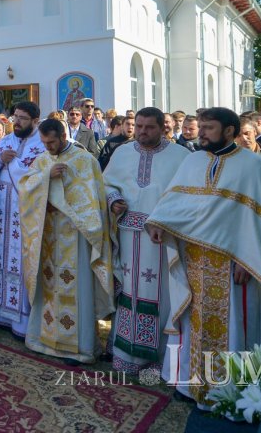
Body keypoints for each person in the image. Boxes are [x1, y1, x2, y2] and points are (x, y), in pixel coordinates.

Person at [145, 108, 261, 408]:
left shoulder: (253, 166)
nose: (201, 133)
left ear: (229, 131)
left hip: (234, 264)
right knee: (193, 321)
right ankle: (189, 383)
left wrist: (249, 260)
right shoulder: (193, 161)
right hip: (194, 259)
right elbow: (174, 201)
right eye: (200, 127)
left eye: (209, 128)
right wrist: (158, 222)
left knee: (233, 326)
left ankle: (229, 391)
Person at [19, 118, 113, 364]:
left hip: (76, 237)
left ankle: (79, 348)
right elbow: (25, 191)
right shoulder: (42, 161)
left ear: (63, 136)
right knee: (48, 285)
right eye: (44, 143)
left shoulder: (85, 161)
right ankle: (44, 339)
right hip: (49, 235)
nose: (47, 147)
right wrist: (46, 177)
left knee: (76, 287)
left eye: (51, 142)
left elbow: (94, 201)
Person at [102, 107, 186, 376]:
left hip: (161, 238)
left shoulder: (181, 156)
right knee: (128, 291)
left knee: (159, 294)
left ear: (163, 127)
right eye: (138, 126)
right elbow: (106, 184)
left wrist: (163, 221)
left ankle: (159, 358)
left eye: (149, 127)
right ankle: (124, 352)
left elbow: (186, 196)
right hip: (127, 234)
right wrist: (114, 200)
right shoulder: (122, 152)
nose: (142, 132)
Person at [0, 101, 45, 337]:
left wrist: (15, 165)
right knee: (0, 258)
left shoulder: (42, 143)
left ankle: (22, 321)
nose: (17, 122)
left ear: (35, 121)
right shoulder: (6, 140)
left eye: (22, 118)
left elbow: (41, 176)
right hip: (2, 213)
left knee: (21, 262)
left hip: (25, 214)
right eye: (15, 117)